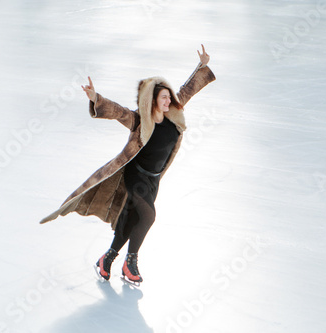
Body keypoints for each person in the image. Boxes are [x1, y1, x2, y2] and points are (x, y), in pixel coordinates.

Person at [40, 44, 216, 284]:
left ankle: (107, 259)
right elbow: (118, 112)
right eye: (163, 97)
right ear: (153, 100)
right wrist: (96, 99)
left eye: (169, 97)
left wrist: (202, 66)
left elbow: (187, 90)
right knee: (148, 216)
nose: (169, 100)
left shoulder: (173, 112)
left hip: (154, 180)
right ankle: (130, 261)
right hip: (136, 176)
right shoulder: (139, 120)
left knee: (132, 219)